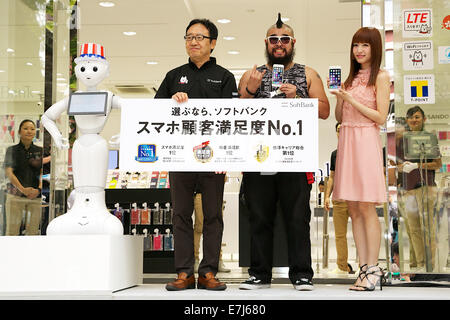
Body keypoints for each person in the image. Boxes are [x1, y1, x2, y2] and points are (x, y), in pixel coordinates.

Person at [238, 14, 330, 291]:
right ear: (266, 43)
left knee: (297, 217)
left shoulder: (308, 73)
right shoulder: (251, 74)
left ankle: (302, 274)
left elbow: (325, 111)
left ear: (293, 43)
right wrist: (251, 90)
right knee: (259, 217)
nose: (279, 44)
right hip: (259, 156)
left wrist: (299, 98)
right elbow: (236, 114)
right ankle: (259, 275)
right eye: (274, 39)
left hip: (295, 156)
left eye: (284, 39)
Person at [155, 18, 238, 291]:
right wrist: (171, 103)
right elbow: (155, 115)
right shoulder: (173, 76)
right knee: (180, 215)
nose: (193, 41)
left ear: (212, 43)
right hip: (180, 157)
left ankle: (208, 273)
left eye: (200, 37)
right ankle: (184, 273)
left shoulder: (225, 77)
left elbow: (235, 119)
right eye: (189, 37)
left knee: (213, 216)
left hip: (213, 159)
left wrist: (226, 158)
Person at [329, 27, 390, 291]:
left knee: (366, 206)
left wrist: (351, 99)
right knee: (353, 208)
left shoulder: (381, 76)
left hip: (366, 141)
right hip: (347, 140)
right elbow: (339, 118)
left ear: (375, 48)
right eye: (356, 45)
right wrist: (342, 99)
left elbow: (381, 117)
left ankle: (373, 267)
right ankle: (363, 267)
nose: (360, 50)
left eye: (365, 45)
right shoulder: (349, 79)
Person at [396, 106, 441, 272]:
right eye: (411, 118)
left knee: (428, 228)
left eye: (417, 117)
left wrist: (417, 165)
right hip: (408, 189)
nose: (414, 120)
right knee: (413, 229)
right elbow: (399, 165)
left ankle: (431, 266)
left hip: (426, 188)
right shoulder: (402, 141)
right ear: (407, 121)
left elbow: (437, 164)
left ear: (424, 119)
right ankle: (421, 265)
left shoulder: (430, 138)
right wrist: (400, 168)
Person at [4, 119, 43, 236]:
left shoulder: (40, 151)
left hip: (35, 197)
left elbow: (43, 172)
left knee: (33, 231)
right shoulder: (12, 150)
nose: (29, 131)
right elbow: (9, 172)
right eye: (25, 128)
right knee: (12, 231)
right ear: (19, 132)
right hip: (15, 196)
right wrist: (23, 189)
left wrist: (38, 189)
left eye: (32, 129)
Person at [324, 122, 353, 275]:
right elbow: (332, 177)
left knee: (360, 233)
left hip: (356, 198)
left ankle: (364, 265)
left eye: (343, 130)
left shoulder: (357, 151)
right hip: (339, 199)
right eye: (338, 130)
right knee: (340, 235)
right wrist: (327, 196)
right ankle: (342, 266)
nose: (340, 133)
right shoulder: (335, 154)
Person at [193, 189, 231, 273]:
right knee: (199, 227)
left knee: (216, 228)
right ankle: (195, 259)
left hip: (215, 194)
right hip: (200, 192)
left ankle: (218, 260)